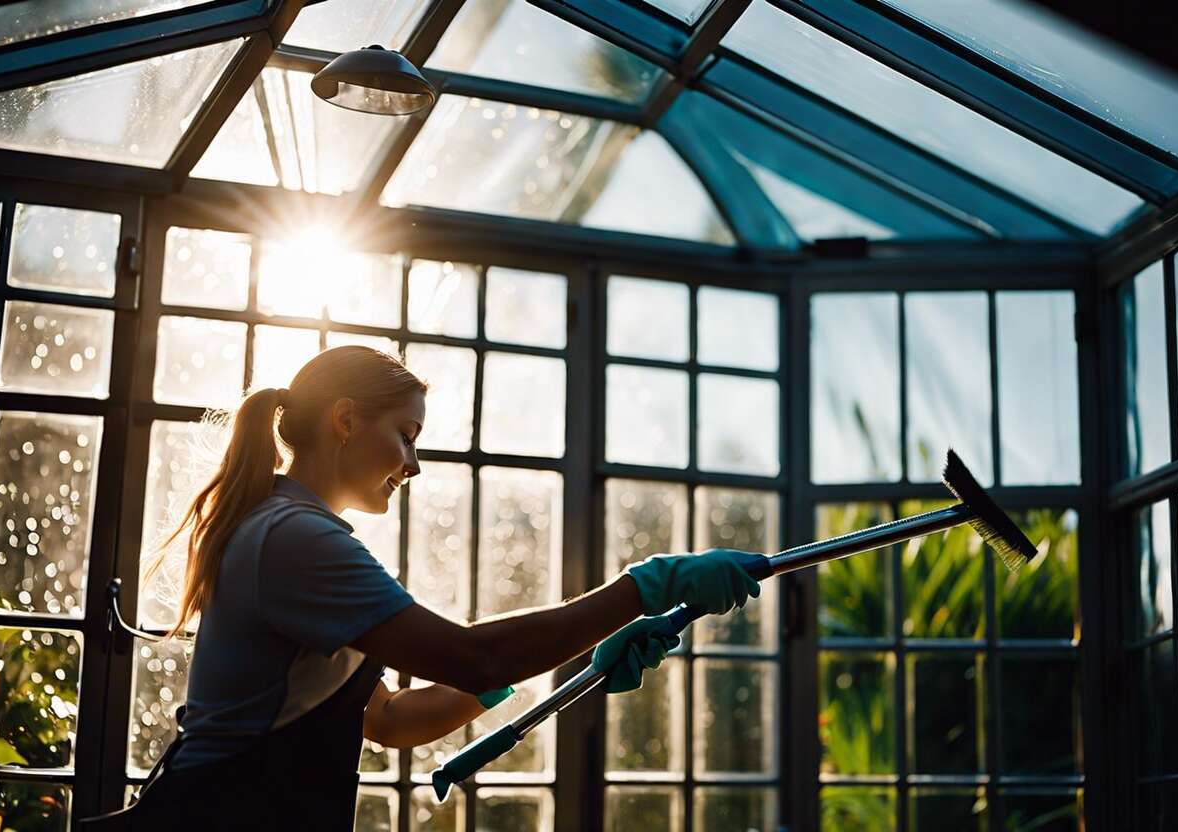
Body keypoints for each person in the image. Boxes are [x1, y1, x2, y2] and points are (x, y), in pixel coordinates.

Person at [80, 346, 760, 830]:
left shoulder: (290, 532)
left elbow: (389, 721)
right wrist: (644, 587)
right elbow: (474, 658)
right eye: (406, 436)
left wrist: (575, 664)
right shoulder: (296, 539)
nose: (414, 465)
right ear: (344, 421)